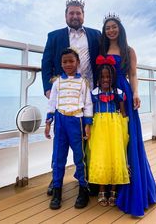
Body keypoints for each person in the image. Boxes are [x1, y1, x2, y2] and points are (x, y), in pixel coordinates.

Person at [100, 13, 156, 217]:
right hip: (104, 94)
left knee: (128, 139)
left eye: (114, 26)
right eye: (108, 27)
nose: (111, 30)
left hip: (123, 94)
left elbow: (133, 73)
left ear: (120, 29)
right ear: (104, 31)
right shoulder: (101, 49)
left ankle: (132, 192)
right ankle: (109, 185)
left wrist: (135, 93)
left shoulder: (128, 50)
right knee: (110, 140)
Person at [41, 0, 101, 195]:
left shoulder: (95, 35)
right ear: (66, 15)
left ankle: (85, 176)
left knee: (88, 134)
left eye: (78, 13)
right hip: (66, 94)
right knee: (61, 142)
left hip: (90, 92)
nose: (75, 16)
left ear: (83, 15)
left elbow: (102, 59)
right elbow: (46, 62)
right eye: (71, 13)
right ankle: (55, 180)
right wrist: (49, 89)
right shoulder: (54, 36)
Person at [44, 48, 93, 210]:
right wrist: (48, 121)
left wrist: (87, 124)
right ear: (61, 63)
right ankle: (57, 190)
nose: (68, 64)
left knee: (80, 157)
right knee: (58, 157)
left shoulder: (83, 82)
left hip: (76, 122)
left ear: (77, 62)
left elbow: (87, 104)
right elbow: (52, 103)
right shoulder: (57, 82)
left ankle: (83, 188)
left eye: (71, 61)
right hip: (60, 120)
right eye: (64, 61)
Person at [87, 55, 130, 207]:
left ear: (113, 78)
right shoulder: (93, 94)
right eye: (103, 77)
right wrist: (88, 127)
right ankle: (101, 189)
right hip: (99, 127)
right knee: (101, 155)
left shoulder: (119, 93)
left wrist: (125, 129)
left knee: (115, 156)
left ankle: (113, 190)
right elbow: (89, 113)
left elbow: (123, 113)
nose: (105, 80)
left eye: (108, 77)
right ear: (98, 78)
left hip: (115, 127)